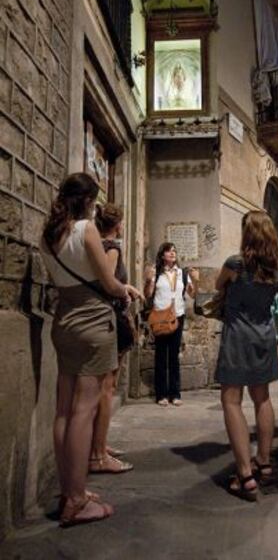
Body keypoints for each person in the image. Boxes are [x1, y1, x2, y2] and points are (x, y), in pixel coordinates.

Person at [40, 173, 131, 527]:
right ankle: (77, 501)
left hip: (64, 321)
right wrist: (125, 289)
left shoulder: (49, 236)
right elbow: (108, 283)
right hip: (93, 321)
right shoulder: (85, 229)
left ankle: (69, 490)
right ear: (89, 200)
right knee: (84, 411)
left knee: (63, 410)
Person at [215, 210, 278, 501]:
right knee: (262, 398)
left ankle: (244, 474)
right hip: (265, 336)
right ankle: (264, 462)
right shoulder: (277, 267)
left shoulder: (236, 264)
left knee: (231, 400)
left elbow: (219, 285)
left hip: (238, 337)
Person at [89, 203, 143, 474]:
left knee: (104, 387)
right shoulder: (111, 247)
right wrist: (127, 289)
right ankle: (98, 451)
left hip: (105, 318)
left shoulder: (96, 244)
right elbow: (107, 281)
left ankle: (100, 443)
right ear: (118, 224)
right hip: (112, 319)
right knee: (107, 388)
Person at [144, 243, 199, 406]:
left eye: (175, 250)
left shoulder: (182, 274)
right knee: (161, 355)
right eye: (169, 251)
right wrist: (148, 280)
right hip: (161, 316)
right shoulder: (157, 273)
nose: (173, 253)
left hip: (178, 315)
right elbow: (148, 294)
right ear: (162, 255)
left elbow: (192, 294)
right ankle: (161, 394)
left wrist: (195, 281)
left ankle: (175, 394)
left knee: (174, 356)